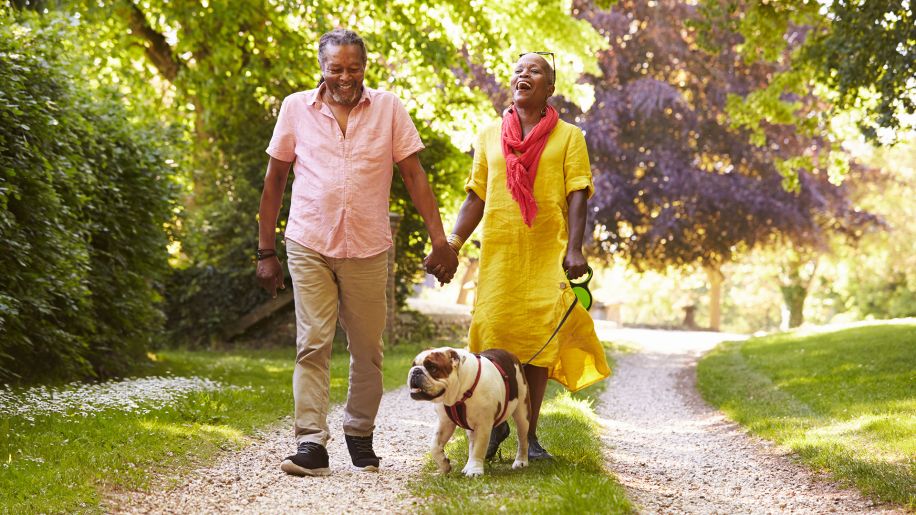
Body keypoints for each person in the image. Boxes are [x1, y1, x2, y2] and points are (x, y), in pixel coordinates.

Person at [257, 28, 458, 476]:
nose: (345, 78)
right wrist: (265, 251)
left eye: (354, 68)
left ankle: (359, 432)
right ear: (322, 69)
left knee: (368, 349)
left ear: (365, 67)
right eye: (336, 69)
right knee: (312, 344)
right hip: (309, 241)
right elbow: (274, 181)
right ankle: (311, 442)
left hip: (367, 247)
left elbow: (414, 175)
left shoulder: (388, 108)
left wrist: (439, 239)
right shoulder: (295, 108)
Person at [428, 52, 610, 460]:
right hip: (500, 254)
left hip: (547, 253)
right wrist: (453, 244)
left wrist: (575, 248)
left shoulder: (569, 137)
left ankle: (531, 436)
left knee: (537, 345)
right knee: (493, 337)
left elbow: (578, 192)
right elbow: (477, 194)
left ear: (549, 88)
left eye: (536, 71)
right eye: (518, 69)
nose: (523, 74)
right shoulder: (490, 134)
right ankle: (493, 426)